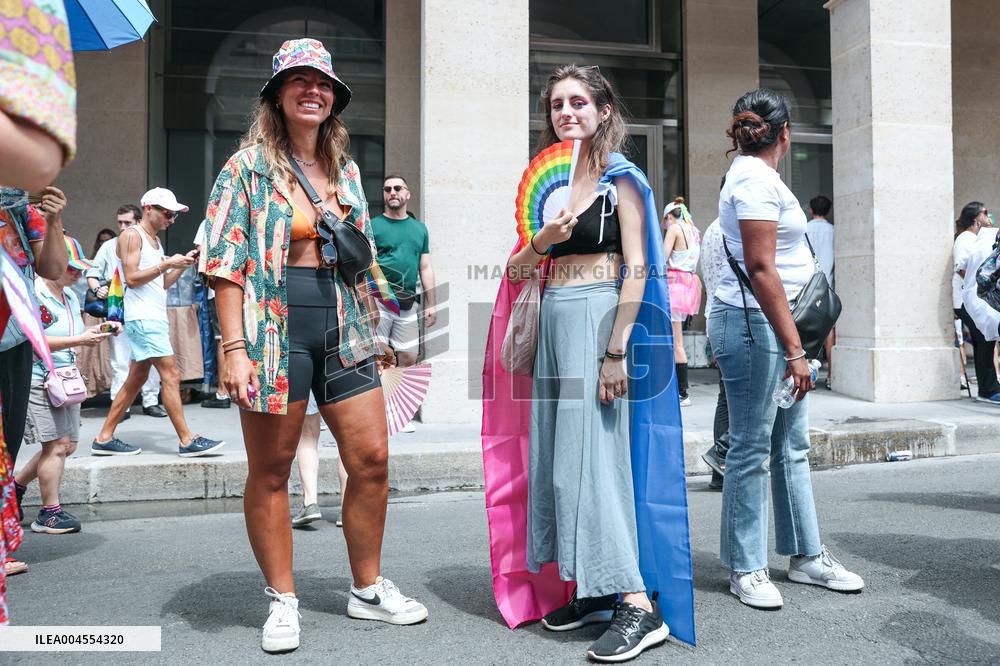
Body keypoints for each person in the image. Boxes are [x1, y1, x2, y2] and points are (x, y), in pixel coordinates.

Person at [202, 38, 427, 654]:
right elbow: (225, 262)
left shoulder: (348, 171)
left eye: (323, 82)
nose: (313, 90)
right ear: (277, 94)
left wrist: (385, 328)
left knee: (372, 460)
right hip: (274, 329)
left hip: (344, 325)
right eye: (299, 80)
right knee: (272, 471)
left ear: (334, 97)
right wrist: (233, 348)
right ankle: (283, 599)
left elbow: (362, 258)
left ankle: (367, 587)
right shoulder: (245, 167)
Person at [483, 64, 694, 661]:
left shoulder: (620, 179)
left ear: (603, 110)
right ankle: (594, 585)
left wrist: (616, 350)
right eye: (556, 104)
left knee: (596, 461)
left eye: (579, 101)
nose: (566, 112)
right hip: (553, 319)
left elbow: (639, 267)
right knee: (559, 457)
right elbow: (520, 270)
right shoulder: (553, 186)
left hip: (599, 317)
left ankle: (635, 603)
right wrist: (545, 237)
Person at [708, 89, 864, 611]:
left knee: (789, 447)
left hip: (774, 326)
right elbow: (760, 267)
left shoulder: (762, 178)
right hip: (756, 328)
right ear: (787, 133)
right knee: (753, 448)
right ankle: (745, 566)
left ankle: (805, 556)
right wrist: (797, 350)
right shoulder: (752, 179)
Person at [0, 0, 77, 622]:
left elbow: (52, 271)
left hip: (11, 340)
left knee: (3, 442)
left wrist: (50, 218)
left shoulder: (20, 208)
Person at [89, 189, 224, 457]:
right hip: (144, 318)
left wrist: (181, 265)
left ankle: (104, 437)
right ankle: (187, 440)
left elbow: (159, 284)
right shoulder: (132, 235)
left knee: (135, 380)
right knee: (171, 375)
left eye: (174, 215)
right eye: (167, 213)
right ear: (148, 208)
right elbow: (132, 278)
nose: (171, 219)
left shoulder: (153, 241)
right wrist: (167, 264)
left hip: (151, 316)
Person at [14, 237, 120, 535]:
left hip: (65, 379)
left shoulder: (69, 296)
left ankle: (16, 487)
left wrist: (97, 331)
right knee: (57, 445)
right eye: (71, 268)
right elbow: (33, 339)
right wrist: (80, 340)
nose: (76, 273)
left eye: (78, 268)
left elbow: (73, 331)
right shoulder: (33, 293)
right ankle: (49, 512)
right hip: (41, 378)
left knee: (67, 446)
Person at [371, 174, 436, 432]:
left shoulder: (419, 229)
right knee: (376, 358)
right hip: (378, 301)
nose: (392, 192)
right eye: (387, 189)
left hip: (408, 303)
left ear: (408, 194)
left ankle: (398, 414)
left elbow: (426, 266)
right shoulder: (374, 226)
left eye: (398, 188)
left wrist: (431, 303)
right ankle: (373, 416)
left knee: (407, 357)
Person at [86, 204, 163, 418]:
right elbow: (91, 271)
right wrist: (97, 288)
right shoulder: (110, 245)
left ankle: (151, 401)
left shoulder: (152, 242)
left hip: (145, 304)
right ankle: (121, 406)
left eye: (127, 223)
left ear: (138, 221)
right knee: (120, 358)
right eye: (119, 222)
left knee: (151, 355)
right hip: (116, 304)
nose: (122, 226)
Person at [699, 179, 729, 490]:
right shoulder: (732, 228)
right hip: (732, 319)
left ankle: (720, 469)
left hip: (714, 318)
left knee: (726, 397)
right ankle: (720, 455)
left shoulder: (711, 228)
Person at [954, 202, 1000, 403]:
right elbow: (962, 268)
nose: (988, 215)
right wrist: (980, 285)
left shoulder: (977, 238)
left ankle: (989, 388)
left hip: (978, 299)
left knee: (986, 342)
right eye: (984, 212)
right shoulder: (966, 238)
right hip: (973, 300)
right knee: (984, 343)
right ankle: (988, 389)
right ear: (975, 218)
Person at [661, 197, 701, 406]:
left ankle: (683, 393)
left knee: (677, 342)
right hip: (688, 284)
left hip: (674, 284)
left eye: (664, 219)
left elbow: (662, 257)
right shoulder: (694, 230)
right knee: (676, 339)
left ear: (669, 216)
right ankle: (678, 389)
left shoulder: (675, 229)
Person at [193, 218, 229, 409]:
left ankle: (223, 392)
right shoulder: (255, 213)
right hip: (250, 288)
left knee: (222, 339)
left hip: (220, 288)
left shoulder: (210, 221)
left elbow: (199, 255)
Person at [805, 195, 835, 389]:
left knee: (805, 329)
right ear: (829, 211)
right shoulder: (833, 231)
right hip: (827, 283)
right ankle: (832, 375)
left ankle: (809, 376)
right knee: (829, 330)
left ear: (810, 210)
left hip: (807, 283)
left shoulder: (804, 229)